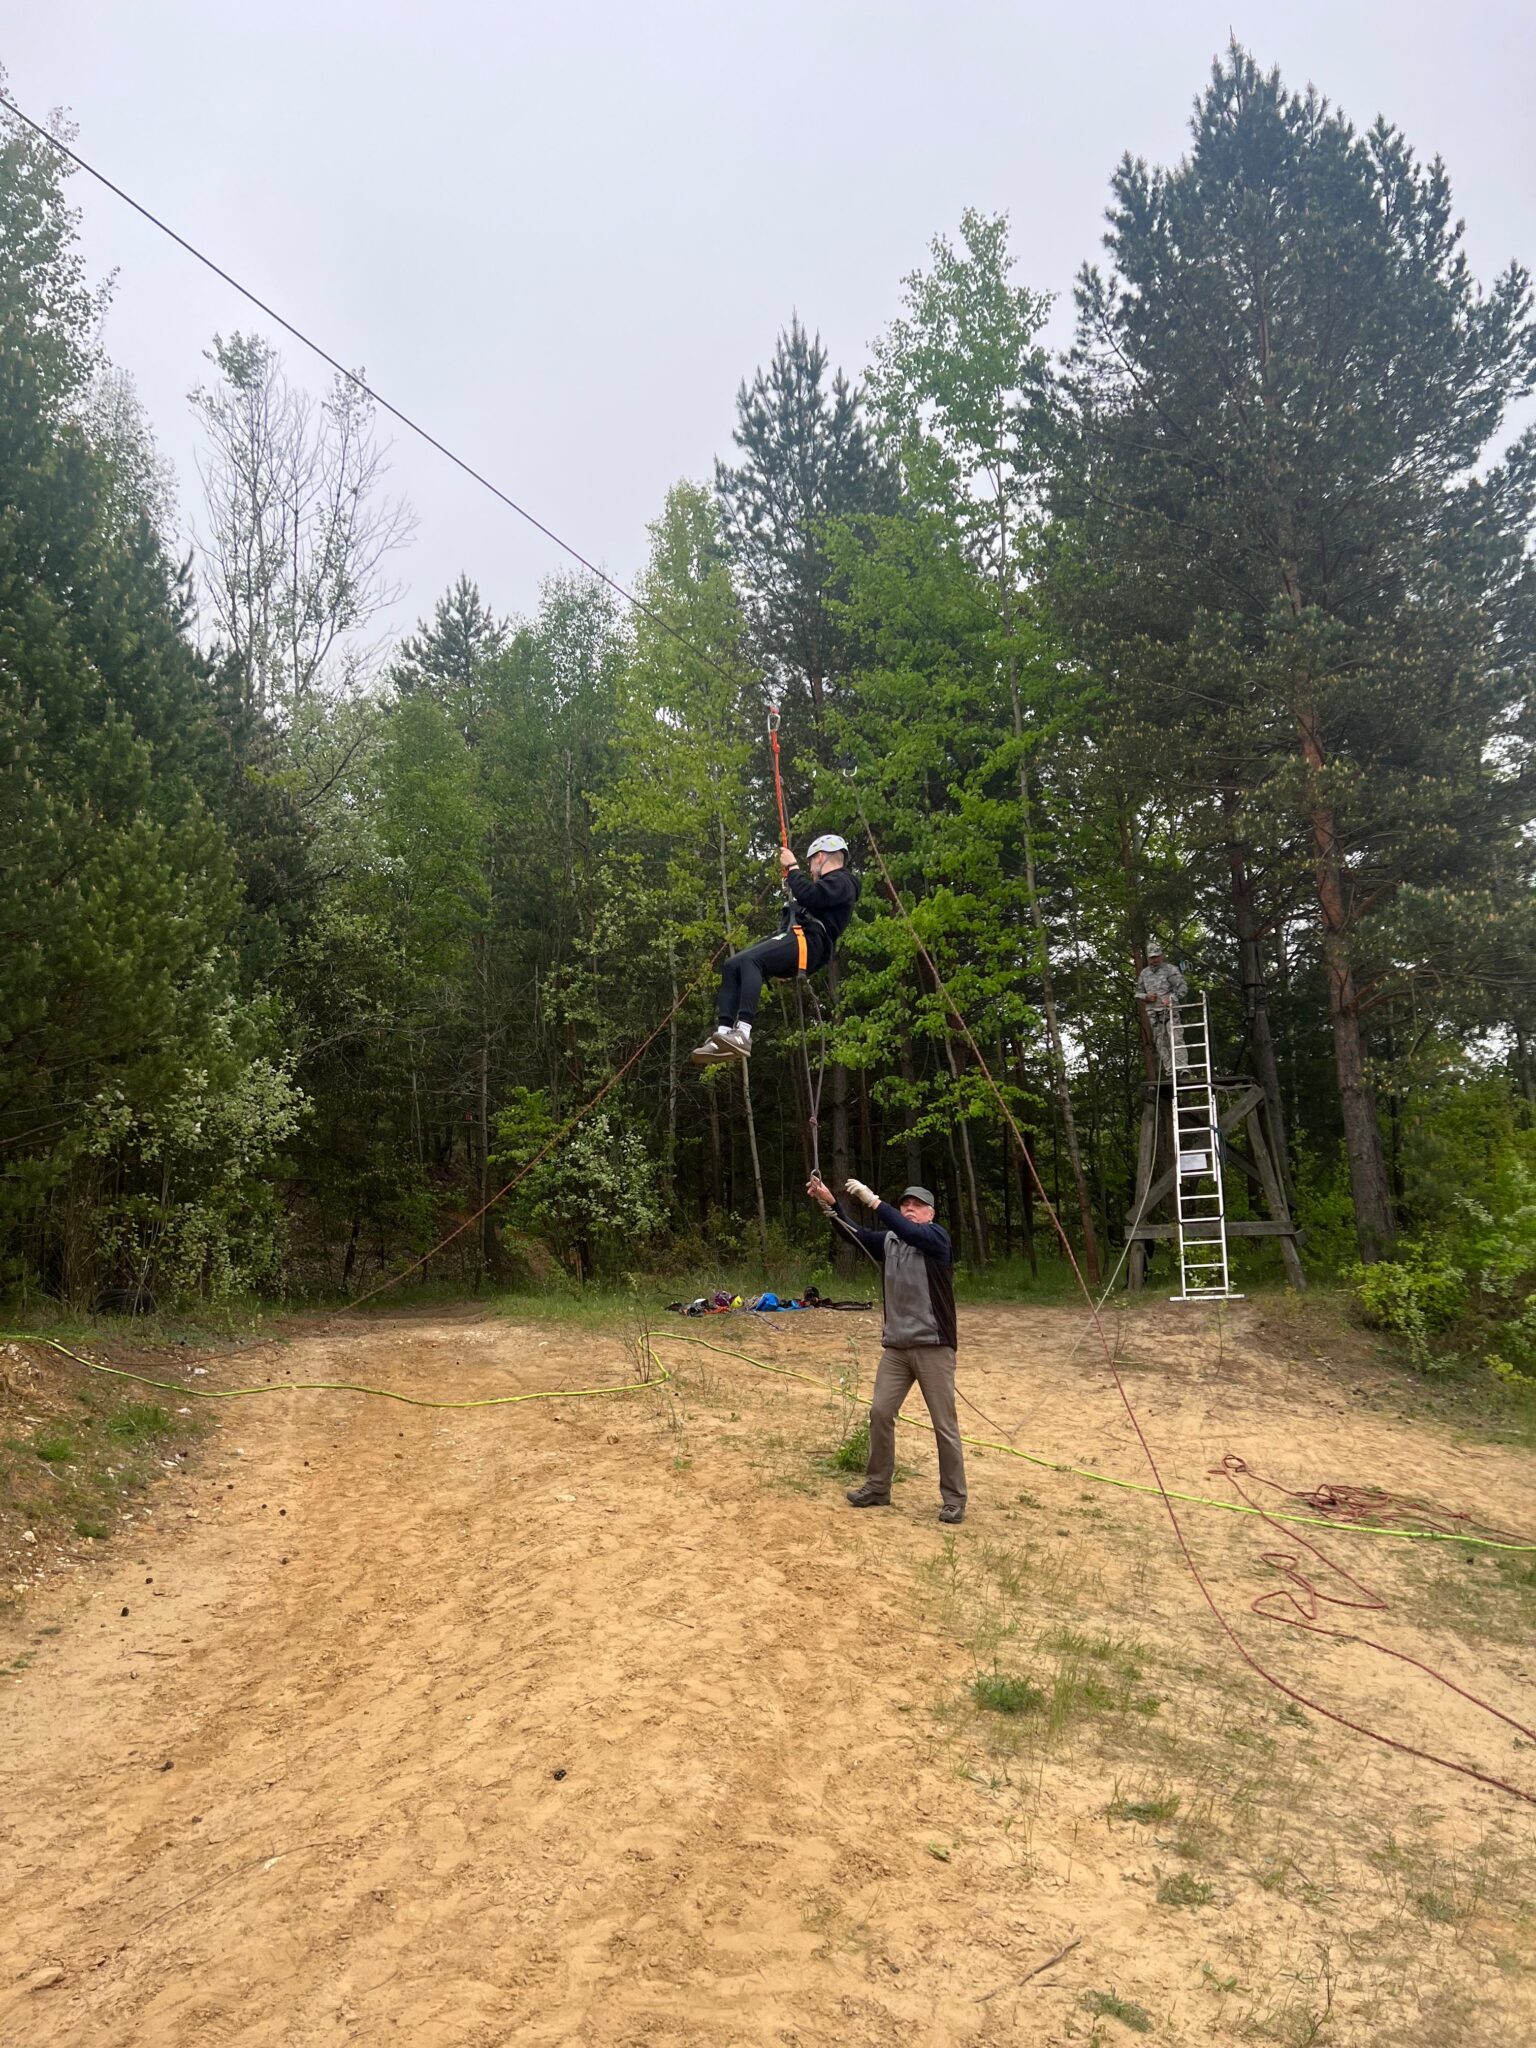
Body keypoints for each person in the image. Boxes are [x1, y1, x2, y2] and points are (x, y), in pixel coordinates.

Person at [806, 1172, 967, 1525]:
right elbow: (856, 1236)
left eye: (917, 1206)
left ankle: (954, 1498)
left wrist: (872, 1199)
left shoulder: (935, 1239)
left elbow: (908, 1230)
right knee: (880, 1413)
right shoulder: (891, 1241)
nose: (909, 1210)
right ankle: (878, 1487)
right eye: (905, 1204)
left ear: (931, 1214)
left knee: (944, 1425)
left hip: (933, 1346)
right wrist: (830, 1203)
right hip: (896, 1347)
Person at [690, 835, 857, 1065]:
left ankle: (743, 1033)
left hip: (810, 941)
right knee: (732, 965)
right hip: (797, 937)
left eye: (810, 864)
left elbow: (811, 896)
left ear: (819, 857)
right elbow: (804, 903)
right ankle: (724, 1033)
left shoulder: (843, 881)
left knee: (752, 961)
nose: (810, 870)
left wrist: (793, 867)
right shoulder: (830, 886)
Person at [1135, 940, 1188, 1074]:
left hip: (1170, 1011)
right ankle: (1170, 1071)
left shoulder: (1170, 970)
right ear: (1149, 958)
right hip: (1154, 1014)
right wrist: (1146, 997)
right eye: (1152, 957)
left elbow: (1183, 988)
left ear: (1161, 956)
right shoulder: (1144, 974)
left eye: (1157, 956)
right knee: (1161, 1043)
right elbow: (1137, 993)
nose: (1155, 959)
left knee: (1176, 1039)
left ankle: (1182, 1069)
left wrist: (1171, 999)